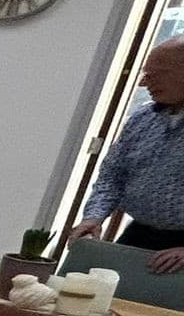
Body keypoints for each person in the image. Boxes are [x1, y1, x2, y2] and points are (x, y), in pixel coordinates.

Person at [70, 37, 184, 274]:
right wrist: (94, 217)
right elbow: (112, 176)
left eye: (155, 74)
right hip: (140, 234)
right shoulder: (142, 120)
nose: (144, 83)